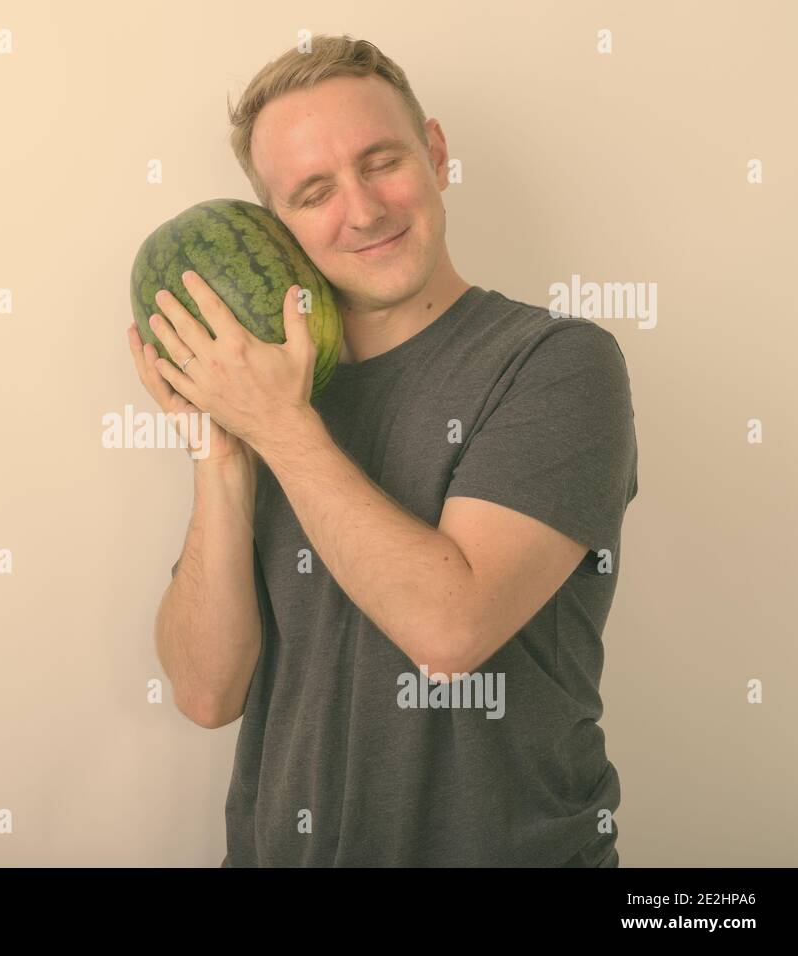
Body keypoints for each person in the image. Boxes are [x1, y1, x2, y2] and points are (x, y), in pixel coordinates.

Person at [125, 35, 639, 867]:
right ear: (277, 224)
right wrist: (220, 455)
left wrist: (280, 427)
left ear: (435, 153)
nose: (362, 211)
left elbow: (449, 629)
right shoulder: (275, 389)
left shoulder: (554, 363)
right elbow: (205, 691)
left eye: (382, 161)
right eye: (314, 190)